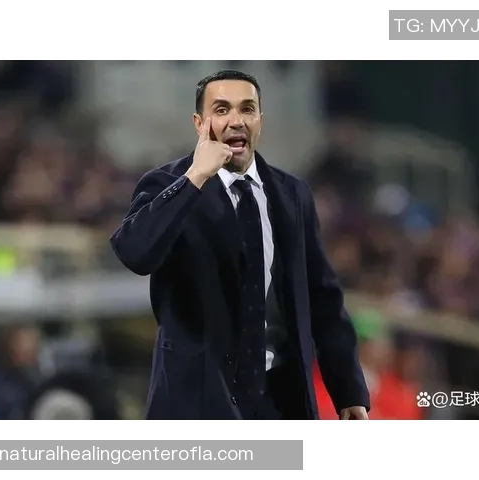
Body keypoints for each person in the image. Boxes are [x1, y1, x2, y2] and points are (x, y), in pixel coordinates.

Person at [110, 69, 370, 420]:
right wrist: (195, 177)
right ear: (199, 123)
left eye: (247, 109)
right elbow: (134, 253)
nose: (236, 120)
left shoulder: (292, 193)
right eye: (221, 110)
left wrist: (348, 390)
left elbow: (322, 298)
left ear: (260, 120)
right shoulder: (167, 184)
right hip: (198, 402)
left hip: (280, 401)